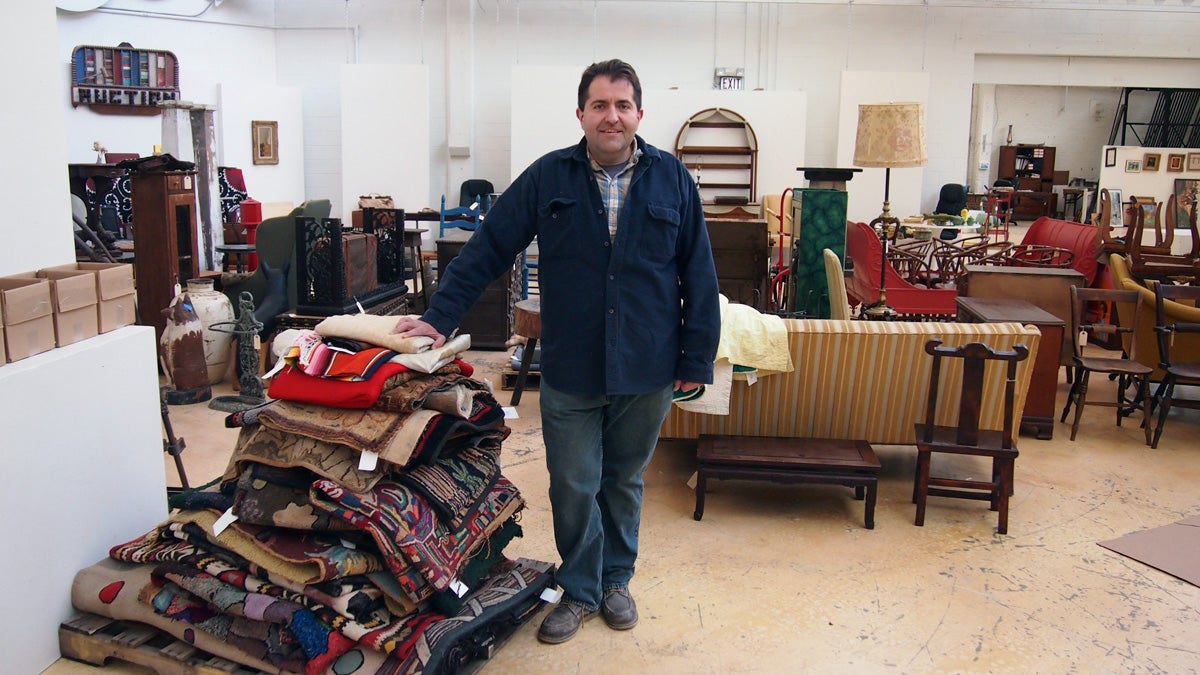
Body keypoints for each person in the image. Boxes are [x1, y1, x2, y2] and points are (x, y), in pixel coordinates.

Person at [392, 59, 721, 644]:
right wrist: (440, 317)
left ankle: (616, 581)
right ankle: (579, 588)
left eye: (622, 105)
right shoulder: (549, 177)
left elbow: (699, 273)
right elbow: (488, 247)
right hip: (570, 362)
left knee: (623, 479)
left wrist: (696, 360)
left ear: (639, 114)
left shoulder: (674, 180)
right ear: (581, 114)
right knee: (573, 481)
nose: (611, 116)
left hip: (648, 362)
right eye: (599, 105)